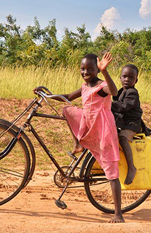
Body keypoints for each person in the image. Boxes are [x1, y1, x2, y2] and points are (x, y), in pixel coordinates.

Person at [34, 52, 124, 223]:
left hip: (103, 130)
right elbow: (67, 98)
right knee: (67, 110)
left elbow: (114, 91)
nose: (85, 72)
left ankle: (118, 213)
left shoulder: (101, 85)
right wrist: (46, 94)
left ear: (97, 70)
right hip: (88, 124)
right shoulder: (85, 86)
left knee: (111, 172)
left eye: (90, 69)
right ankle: (78, 144)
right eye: (83, 69)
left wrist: (105, 71)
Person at [111, 64, 142, 185]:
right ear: (120, 78)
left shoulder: (132, 93)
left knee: (123, 138)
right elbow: (112, 97)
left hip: (131, 124)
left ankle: (131, 168)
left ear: (136, 80)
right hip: (122, 122)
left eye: (130, 77)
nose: (127, 80)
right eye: (124, 76)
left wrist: (109, 104)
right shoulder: (120, 91)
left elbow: (124, 106)